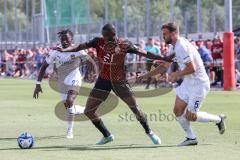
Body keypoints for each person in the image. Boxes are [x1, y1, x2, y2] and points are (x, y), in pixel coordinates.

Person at [56, 23, 173, 145]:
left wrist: (163, 58)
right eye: (103, 36)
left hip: (119, 82)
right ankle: (107, 135)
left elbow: (144, 53)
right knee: (89, 111)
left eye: (106, 36)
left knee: (135, 108)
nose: (104, 38)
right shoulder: (98, 42)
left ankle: (150, 132)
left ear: (113, 35)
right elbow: (79, 46)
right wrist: (65, 49)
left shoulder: (124, 45)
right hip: (103, 81)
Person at [138, 22, 226, 146]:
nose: (163, 36)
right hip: (188, 83)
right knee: (178, 110)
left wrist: (176, 74)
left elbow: (192, 68)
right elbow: (165, 65)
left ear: (173, 34)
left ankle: (218, 119)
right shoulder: (174, 46)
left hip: (199, 84)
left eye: (165, 34)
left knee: (191, 116)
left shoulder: (181, 46)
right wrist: (146, 76)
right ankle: (191, 138)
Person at [33, 29, 86, 139]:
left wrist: (89, 72)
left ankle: (70, 130)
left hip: (75, 79)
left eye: (67, 39)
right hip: (62, 82)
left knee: (70, 101)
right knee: (68, 106)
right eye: (62, 39)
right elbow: (43, 66)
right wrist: (38, 84)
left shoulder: (78, 50)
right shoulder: (55, 52)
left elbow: (89, 60)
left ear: (71, 39)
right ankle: (83, 110)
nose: (65, 41)